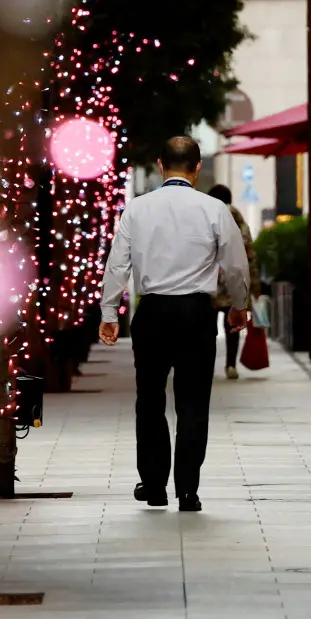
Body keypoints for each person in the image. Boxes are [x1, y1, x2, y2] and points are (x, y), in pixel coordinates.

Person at [97, 136, 250, 512]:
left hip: (152, 313)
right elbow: (235, 263)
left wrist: (109, 312)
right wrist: (239, 306)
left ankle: (153, 484)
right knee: (194, 402)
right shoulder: (215, 209)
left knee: (149, 400)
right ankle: (188, 490)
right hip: (197, 314)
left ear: (161, 165)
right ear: (197, 168)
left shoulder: (136, 209)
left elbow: (118, 264)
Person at [206, 184, 260, 380]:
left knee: (208, 330)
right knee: (233, 327)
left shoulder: (207, 219)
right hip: (235, 285)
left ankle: (208, 366)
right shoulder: (240, 222)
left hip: (210, 286)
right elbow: (250, 256)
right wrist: (255, 287)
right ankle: (230, 365)